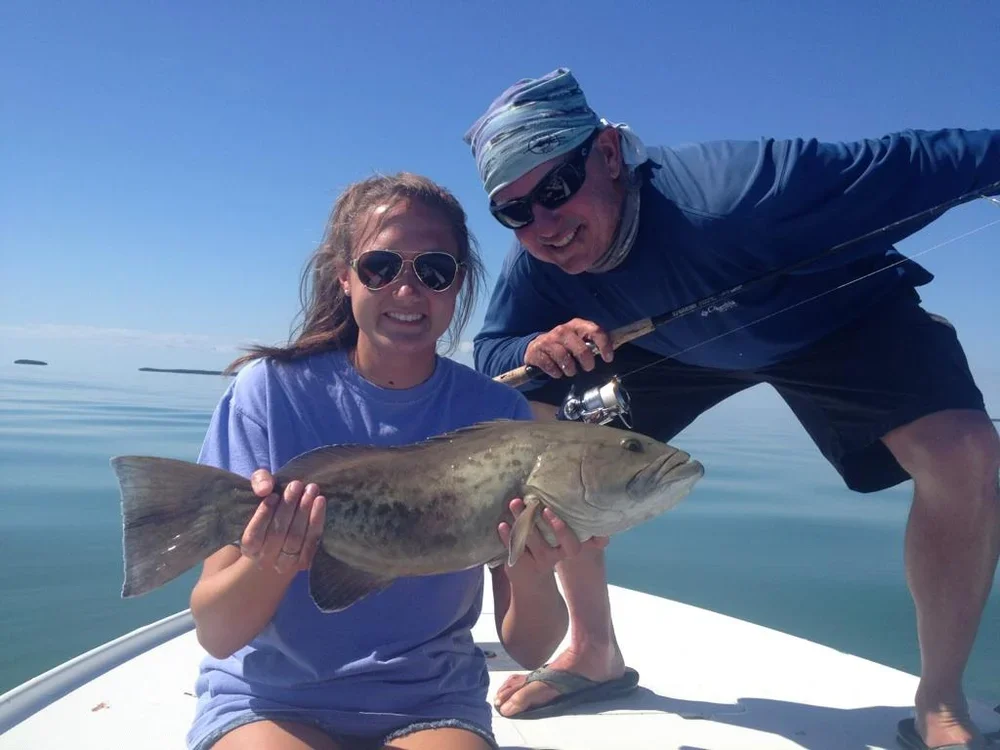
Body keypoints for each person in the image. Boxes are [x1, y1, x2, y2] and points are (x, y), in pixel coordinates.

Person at [462, 67, 1000, 750]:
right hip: (675, 349)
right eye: (515, 211)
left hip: (842, 320)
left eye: (556, 188)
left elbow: (916, 161)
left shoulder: (744, 191)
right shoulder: (533, 264)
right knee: (541, 421)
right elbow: (492, 353)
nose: (544, 225)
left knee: (965, 451)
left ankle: (941, 698)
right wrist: (537, 345)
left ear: (606, 154)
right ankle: (594, 649)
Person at [184, 172, 595, 750]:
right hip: (272, 698)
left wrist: (532, 567)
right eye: (381, 267)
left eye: (434, 270)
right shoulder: (268, 393)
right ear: (344, 274)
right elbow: (219, 631)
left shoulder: (500, 414)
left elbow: (530, 648)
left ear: (458, 285)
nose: (408, 290)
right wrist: (275, 557)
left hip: (431, 701)